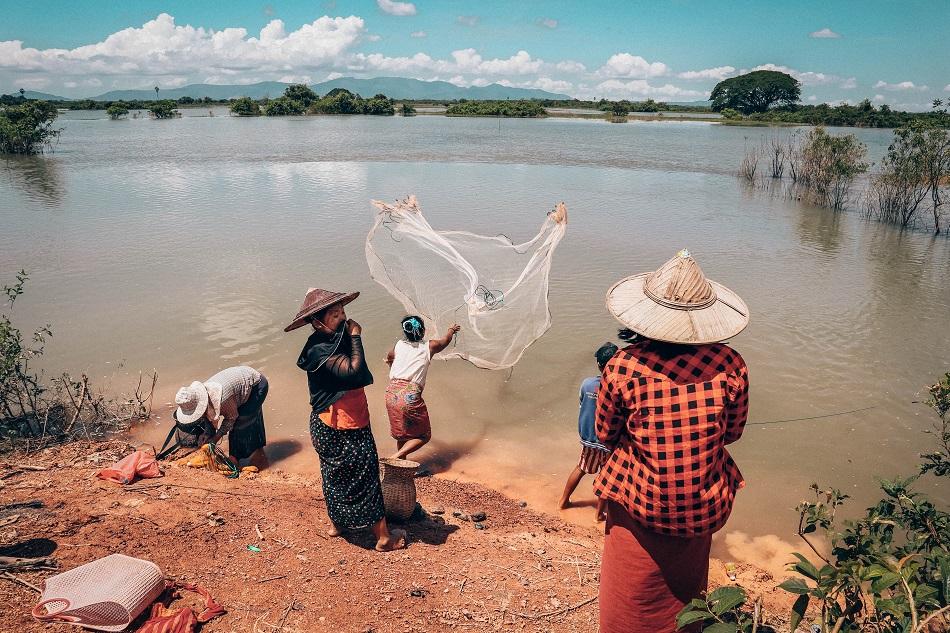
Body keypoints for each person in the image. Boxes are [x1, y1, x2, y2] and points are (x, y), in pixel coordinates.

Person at [595, 249, 750, 633]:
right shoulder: (732, 365)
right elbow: (732, 432)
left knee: (630, 590)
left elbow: (605, 433)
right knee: (685, 591)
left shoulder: (624, 365)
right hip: (700, 505)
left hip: (638, 500)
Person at [284, 287, 405, 551]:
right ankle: (384, 537)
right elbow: (355, 373)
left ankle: (337, 524)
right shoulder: (319, 350)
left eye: (342, 312)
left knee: (335, 475)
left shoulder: (329, 340)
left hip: (330, 422)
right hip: (343, 425)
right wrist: (356, 336)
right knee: (365, 475)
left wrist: (347, 336)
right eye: (334, 314)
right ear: (317, 322)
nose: (342, 318)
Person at [383, 316, 460, 460]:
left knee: (402, 434)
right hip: (409, 396)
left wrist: (390, 363)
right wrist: (451, 330)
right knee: (424, 435)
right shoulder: (430, 346)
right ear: (423, 331)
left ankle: (400, 467)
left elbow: (389, 356)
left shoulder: (398, 344)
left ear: (405, 333)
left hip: (391, 393)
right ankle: (396, 456)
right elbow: (445, 341)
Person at [558, 342, 618, 517]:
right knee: (606, 476)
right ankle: (599, 515)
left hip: (589, 439)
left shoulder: (587, 384)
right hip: (608, 441)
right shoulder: (616, 387)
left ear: (598, 365)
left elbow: (582, 405)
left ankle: (562, 502)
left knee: (581, 468)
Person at [173, 365, 269, 469]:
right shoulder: (200, 395)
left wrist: (215, 438)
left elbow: (231, 418)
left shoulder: (223, 399)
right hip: (239, 383)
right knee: (248, 417)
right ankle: (257, 448)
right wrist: (207, 433)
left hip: (257, 385)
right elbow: (207, 415)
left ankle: (235, 459)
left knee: (241, 422)